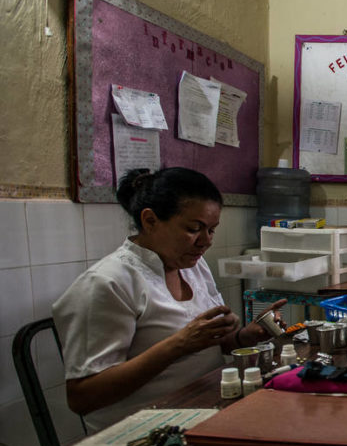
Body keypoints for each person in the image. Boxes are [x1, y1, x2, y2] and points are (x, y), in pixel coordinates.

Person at [53, 167, 286, 431]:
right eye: (194, 228)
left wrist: (243, 337)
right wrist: (178, 345)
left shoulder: (193, 267)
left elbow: (206, 347)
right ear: (150, 221)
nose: (205, 241)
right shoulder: (107, 283)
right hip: (142, 434)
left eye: (211, 230)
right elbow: (82, 397)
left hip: (202, 408)